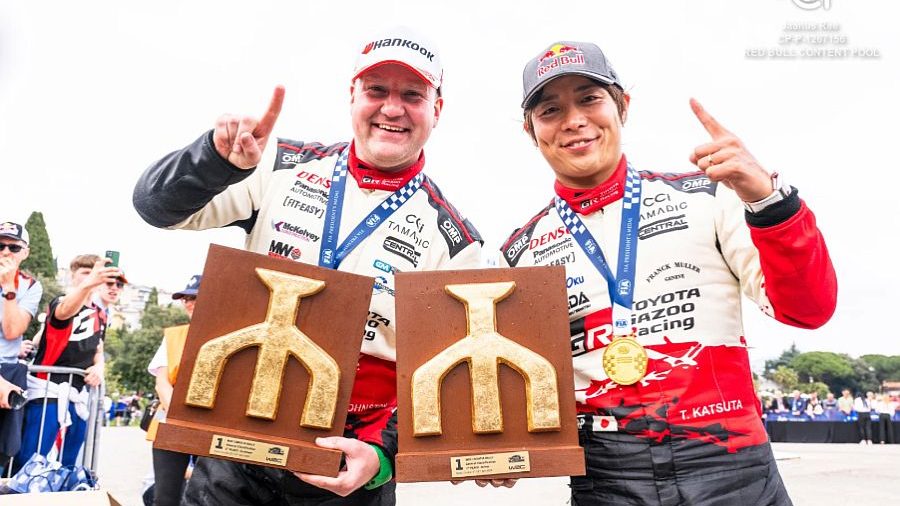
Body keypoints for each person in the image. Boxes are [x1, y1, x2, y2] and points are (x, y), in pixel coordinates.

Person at [133, 26, 482, 505]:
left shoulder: (456, 240)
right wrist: (213, 161)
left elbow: (442, 378)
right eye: (376, 90)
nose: (392, 108)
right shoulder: (276, 165)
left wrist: (383, 457)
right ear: (352, 95)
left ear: (436, 109)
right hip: (236, 449)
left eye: (412, 95)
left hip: (347, 466)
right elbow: (154, 207)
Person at [500, 40, 837, 505]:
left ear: (623, 107)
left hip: (732, 467)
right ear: (530, 129)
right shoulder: (520, 252)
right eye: (550, 109)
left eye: (589, 99)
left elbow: (809, 309)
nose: (573, 120)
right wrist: (495, 446)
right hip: (607, 479)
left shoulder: (709, 195)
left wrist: (769, 202)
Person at [16, 254, 124, 467]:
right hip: (47, 393)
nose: (91, 277)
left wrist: (99, 367)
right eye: (85, 273)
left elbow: (99, 349)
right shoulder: (62, 302)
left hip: (78, 396)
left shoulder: (100, 315)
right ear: (72, 276)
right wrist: (88, 284)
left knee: (69, 463)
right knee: (30, 460)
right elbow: (64, 311)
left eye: (94, 273)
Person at [146, 274, 200, 506]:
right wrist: (180, 417)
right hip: (171, 423)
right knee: (165, 497)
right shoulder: (174, 336)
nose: (189, 303)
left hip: (211, 426)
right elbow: (162, 383)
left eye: (195, 297)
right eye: (185, 298)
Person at [0, 221, 42, 464]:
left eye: (14, 248)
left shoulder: (31, 286)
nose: (6, 252)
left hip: (8, 369)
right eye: (0, 246)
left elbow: (13, 330)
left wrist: (8, 288)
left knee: (4, 448)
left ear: (25, 252)